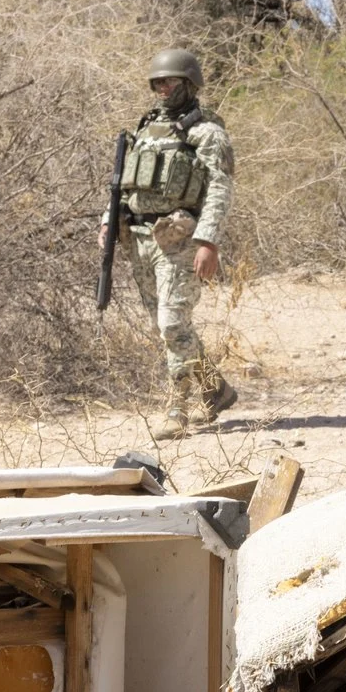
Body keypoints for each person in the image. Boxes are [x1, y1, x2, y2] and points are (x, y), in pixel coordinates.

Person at [109, 48, 238, 433]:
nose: (162, 88)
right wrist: (108, 221)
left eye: (169, 81)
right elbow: (123, 184)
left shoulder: (208, 134)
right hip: (139, 240)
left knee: (171, 323)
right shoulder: (145, 131)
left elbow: (220, 190)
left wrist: (208, 242)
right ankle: (215, 388)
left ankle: (176, 409)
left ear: (188, 84)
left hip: (179, 240)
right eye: (157, 82)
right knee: (168, 328)